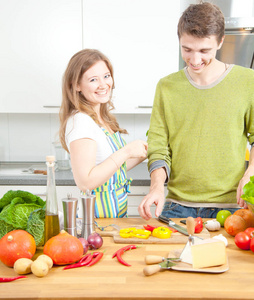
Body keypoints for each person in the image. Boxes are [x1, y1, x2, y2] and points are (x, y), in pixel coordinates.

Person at [138, 1, 254, 220]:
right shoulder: (167, 87)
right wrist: (156, 187)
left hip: (230, 208)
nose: (195, 59)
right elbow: (158, 146)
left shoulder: (247, 81)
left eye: (204, 50)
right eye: (187, 49)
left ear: (220, 41)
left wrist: (251, 172)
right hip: (176, 206)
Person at [59, 49, 148, 218]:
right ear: (76, 85)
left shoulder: (101, 118)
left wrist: (144, 152)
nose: (103, 84)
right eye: (93, 79)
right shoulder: (81, 121)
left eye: (106, 76)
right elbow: (85, 182)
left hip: (114, 216)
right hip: (96, 219)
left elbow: (110, 168)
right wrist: (127, 151)